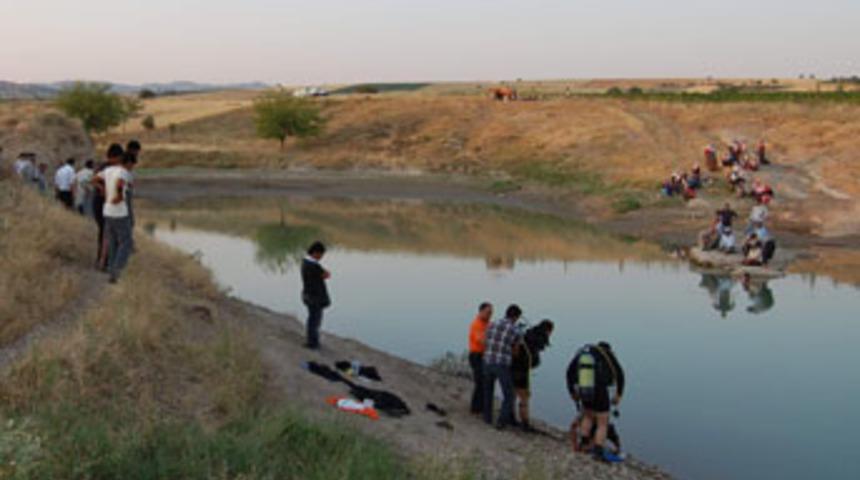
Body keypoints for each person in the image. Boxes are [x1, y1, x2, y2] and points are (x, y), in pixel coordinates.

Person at [567, 342, 625, 461]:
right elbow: (620, 375)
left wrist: (572, 392)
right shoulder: (608, 355)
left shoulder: (583, 353)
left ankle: (584, 444)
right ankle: (598, 451)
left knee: (588, 416)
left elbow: (569, 372)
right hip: (600, 390)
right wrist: (619, 394)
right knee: (602, 421)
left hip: (584, 389)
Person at [94, 144, 133, 283]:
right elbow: (121, 185)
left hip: (107, 211)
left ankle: (111, 270)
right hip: (119, 212)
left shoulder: (107, 170)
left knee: (112, 241)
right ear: (120, 157)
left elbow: (94, 179)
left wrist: (103, 190)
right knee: (126, 242)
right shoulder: (123, 172)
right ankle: (117, 271)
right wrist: (119, 197)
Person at [483, 304, 523, 430]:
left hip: (487, 361)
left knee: (488, 391)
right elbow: (516, 352)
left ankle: (487, 418)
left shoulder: (492, 324)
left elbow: (485, 341)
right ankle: (501, 422)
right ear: (516, 317)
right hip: (501, 364)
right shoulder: (516, 330)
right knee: (509, 394)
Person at [511, 319, 554, 432]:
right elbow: (534, 351)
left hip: (513, 367)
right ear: (548, 330)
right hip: (522, 370)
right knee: (525, 397)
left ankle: (511, 417)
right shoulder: (538, 338)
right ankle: (525, 423)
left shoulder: (528, 333)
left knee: (514, 394)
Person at [92, 146, 123, 270]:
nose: (120, 160)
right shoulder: (105, 167)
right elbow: (94, 180)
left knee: (108, 233)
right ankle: (102, 262)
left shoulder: (114, 168)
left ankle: (104, 261)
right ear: (113, 157)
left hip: (107, 204)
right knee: (105, 233)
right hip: (101, 204)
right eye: (119, 158)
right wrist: (103, 189)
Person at [301, 241, 331, 350]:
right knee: (314, 321)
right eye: (321, 254)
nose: (321, 257)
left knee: (313, 320)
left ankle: (312, 341)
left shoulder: (306, 262)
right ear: (315, 253)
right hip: (314, 298)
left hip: (308, 295)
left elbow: (324, 274)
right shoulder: (313, 265)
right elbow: (326, 274)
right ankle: (312, 343)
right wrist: (324, 273)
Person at [468, 302, 493, 415]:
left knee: (485, 381)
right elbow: (480, 340)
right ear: (481, 311)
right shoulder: (477, 324)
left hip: (485, 355)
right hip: (476, 355)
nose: (489, 315)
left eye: (491, 313)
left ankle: (481, 406)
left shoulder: (488, 324)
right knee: (480, 381)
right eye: (488, 312)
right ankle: (475, 407)